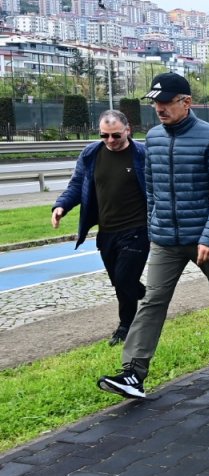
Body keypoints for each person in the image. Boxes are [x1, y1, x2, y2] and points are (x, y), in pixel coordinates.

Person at [96, 73, 209, 399]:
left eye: (166, 102)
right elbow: (150, 187)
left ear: (186, 102)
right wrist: (154, 226)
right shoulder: (152, 138)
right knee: (152, 301)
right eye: (155, 102)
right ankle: (133, 373)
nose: (159, 108)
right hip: (165, 239)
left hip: (203, 238)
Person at [53, 109, 148, 346]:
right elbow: (77, 184)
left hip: (137, 229)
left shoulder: (142, 154)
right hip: (107, 231)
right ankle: (136, 290)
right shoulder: (91, 154)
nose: (110, 141)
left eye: (116, 135)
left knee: (124, 278)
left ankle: (126, 326)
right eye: (104, 136)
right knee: (119, 281)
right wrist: (61, 206)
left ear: (128, 130)